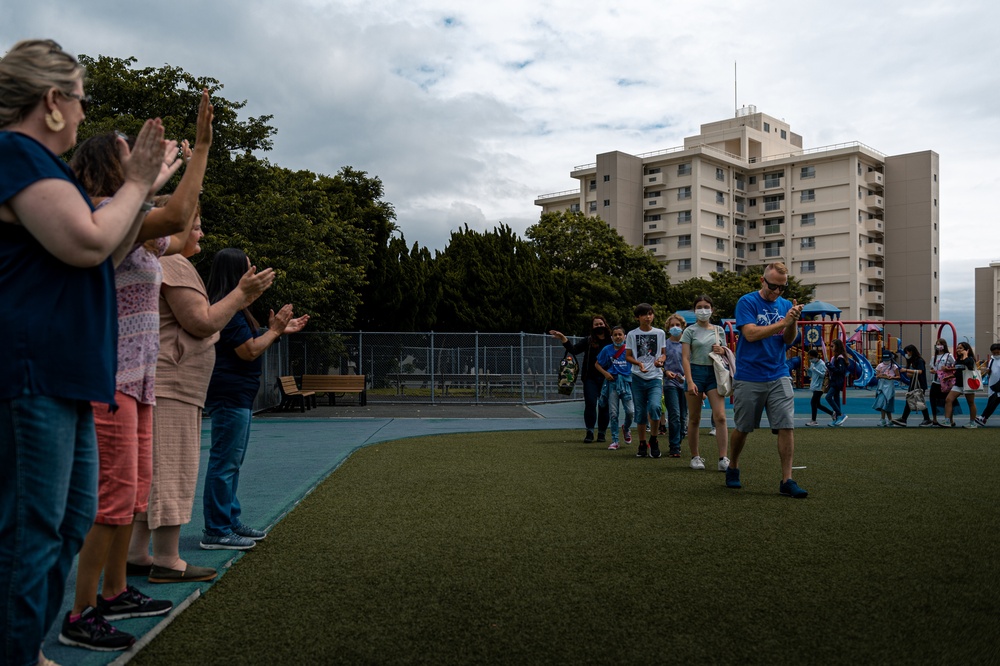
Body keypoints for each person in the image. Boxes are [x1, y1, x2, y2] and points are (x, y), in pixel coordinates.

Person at [0, 39, 167, 663]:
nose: (81, 113)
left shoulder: (46, 171)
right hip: (32, 371)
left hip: (68, 376)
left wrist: (141, 188)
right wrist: (140, 181)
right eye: (78, 100)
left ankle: (31, 649)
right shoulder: (15, 155)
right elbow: (87, 242)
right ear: (50, 102)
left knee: (67, 525)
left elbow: (109, 242)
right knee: (30, 533)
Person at [64, 116, 210, 648]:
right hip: (112, 379)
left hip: (140, 382)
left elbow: (182, 228)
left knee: (134, 494)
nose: (139, 158)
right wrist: (199, 151)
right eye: (129, 154)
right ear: (108, 167)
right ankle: (80, 613)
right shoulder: (107, 217)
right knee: (114, 495)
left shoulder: (138, 233)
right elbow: (174, 212)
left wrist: (183, 169)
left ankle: (115, 591)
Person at [126, 203, 276, 583]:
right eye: (196, 226)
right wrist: (241, 296)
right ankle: (168, 559)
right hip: (172, 385)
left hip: (172, 384)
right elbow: (201, 322)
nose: (201, 234)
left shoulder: (162, 260)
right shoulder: (171, 262)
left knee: (157, 471)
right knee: (173, 469)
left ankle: (136, 553)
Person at [201, 249, 309, 550]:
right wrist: (273, 331)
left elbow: (250, 339)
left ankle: (229, 521)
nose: (255, 273)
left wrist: (277, 331)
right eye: (249, 269)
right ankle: (216, 529)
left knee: (231, 463)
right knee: (224, 464)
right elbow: (248, 350)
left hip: (238, 397)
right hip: (229, 396)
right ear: (235, 274)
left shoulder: (234, 312)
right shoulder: (227, 311)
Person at [725, 263, 807, 498]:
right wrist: (783, 322)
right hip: (750, 375)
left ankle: (787, 480)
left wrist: (792, 322)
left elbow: (789, 340)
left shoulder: (784, 305)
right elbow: (750, 334)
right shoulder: (747, 302)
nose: (777, 292)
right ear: (762, 281)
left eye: (782, 287)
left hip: (778, 373)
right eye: (773, 286)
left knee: (786, 425)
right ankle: (733, 466)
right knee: (743, 428)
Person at [680, 295, 729, 471]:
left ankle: (723, 458)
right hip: (695, 372)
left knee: (721, 416)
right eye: (699, 307)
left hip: (714, 373)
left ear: (712, 309)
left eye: (706, 306)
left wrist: (722, 349)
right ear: (694, 310)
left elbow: (724, 353)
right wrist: (690, 380)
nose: (703, 310)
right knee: (694, 418)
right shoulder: (689, 331)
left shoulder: (718, 330)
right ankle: (695, 457)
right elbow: (685, 358)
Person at [549, 317, 612, 443]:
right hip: (590, 378)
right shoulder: (588, 340)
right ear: (592, 327)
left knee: (604, 405)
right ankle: (589, 432)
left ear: (605, 325)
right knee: (590, 403)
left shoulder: (612, 340)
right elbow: (574, 350)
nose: (599, 326)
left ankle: (602, 433)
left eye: (601, 323)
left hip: (608, 377)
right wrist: (562, 338)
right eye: (596, 324)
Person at [624, 304, 666, 458]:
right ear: (637, 317)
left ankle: (653, 439)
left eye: (650, 314)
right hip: (637, 377)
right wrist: (639, 364)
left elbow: (663, 354)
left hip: (655, 377)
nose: (647, 317)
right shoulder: (631, 334)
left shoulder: (660, 333)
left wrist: (661, 360)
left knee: (655, 407)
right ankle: (642, 443)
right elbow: (627, 355)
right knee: (640, 412)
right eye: (643, 314)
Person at [595, 326, 634, 451]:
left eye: (620, 334)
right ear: (611, 337)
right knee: (613, 413)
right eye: (615, 335)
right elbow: (597, 364)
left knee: (630, 411)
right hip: (612, 383)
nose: (618, 337)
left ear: (625, 336)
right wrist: (605, 373)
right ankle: (615, 440)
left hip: (626, 383)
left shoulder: (629, 349)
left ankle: (626, 428)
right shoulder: (607, 349)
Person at [662, 314, 688, 457]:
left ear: (683, 326)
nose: (675, 328)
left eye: (677, 325)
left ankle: (680, 436)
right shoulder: (665, 345)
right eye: (672, 325)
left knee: (684, 416)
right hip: (670, 383)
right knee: (675, 415)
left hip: (685, 382)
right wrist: (666, 371)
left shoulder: (688, 344)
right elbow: (660, 363)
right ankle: (674, 446)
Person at [892, 345, 932, 427]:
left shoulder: (919, 360)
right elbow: (913, 373)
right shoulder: (912, 361)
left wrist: (907, 370)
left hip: (919, 384)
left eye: (908, 352)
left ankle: (926, 419)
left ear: (912, 352)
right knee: (912, 400)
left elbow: (920, 371)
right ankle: (904, 419)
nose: (907, 354)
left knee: (919, 400)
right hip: (914, 383)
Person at [944, 342, 978, 428]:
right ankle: (947, 421)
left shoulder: (970, 359)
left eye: (961, 348)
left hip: (968, 384)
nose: (958, 350)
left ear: (967, 350)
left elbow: (970, 367)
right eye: (958, 348)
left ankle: (972, 422)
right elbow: (958, 372)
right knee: (948, 399)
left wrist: (965, 355)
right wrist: (949, 376)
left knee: (970, 402)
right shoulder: (958, 360)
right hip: (958, 384)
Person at [927, 338, 955, 427]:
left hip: (945, 381)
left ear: (944, 345)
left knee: (948, 400)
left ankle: (950, 419)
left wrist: (948, 369)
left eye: (940, 344)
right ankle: (934, 419)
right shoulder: (933, 357)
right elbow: (932, 368)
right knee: (933, 400)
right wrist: (932, 371)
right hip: (935, 381)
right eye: (937, 344)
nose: (938, 346)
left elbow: (955, 366)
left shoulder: (949, 355)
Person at [804, 348, 834, 426]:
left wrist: (815, 370)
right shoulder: (813, 364)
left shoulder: (822, 364)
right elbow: (811, 375)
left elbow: (824, 375)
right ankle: (832, 413)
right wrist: (808, 370)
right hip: (815, 385)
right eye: (809, 358)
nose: (810, 360)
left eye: (811, 358)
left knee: (813, 402)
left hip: (820, 386)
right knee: (817, 404)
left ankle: (813, 420)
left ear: (816, 357)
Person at [825, 339, 850, 427]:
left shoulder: (840, 358)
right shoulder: (836, 358)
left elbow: (840, 371)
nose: (831, 348)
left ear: (837, 347)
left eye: (832, 346)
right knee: (836, 399)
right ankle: (837, 419)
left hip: (837, 381)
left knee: (828, 397)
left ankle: (840, 414)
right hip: (835, 380)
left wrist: (829, 366)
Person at [974, 343, 1000, 427]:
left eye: (998, 352)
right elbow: (991, 370)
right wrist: (988, 371)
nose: (996, 354)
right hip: (992, 384)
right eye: (994, 353)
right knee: (992, 402)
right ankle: (984, 418)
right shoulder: (992, 360)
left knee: (994, 401)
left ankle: (982, 417)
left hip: (998, 385)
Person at [872, 351, 900, 426]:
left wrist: (892, 377)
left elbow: (898, 377)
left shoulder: (894, 366)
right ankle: (883, 419)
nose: (886, 361)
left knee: (888, 402)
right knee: (882, 402)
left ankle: (889, 420)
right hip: (881, 386)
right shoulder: (879, 366)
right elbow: (877, 376)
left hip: (890, 386)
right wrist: (880, 375)